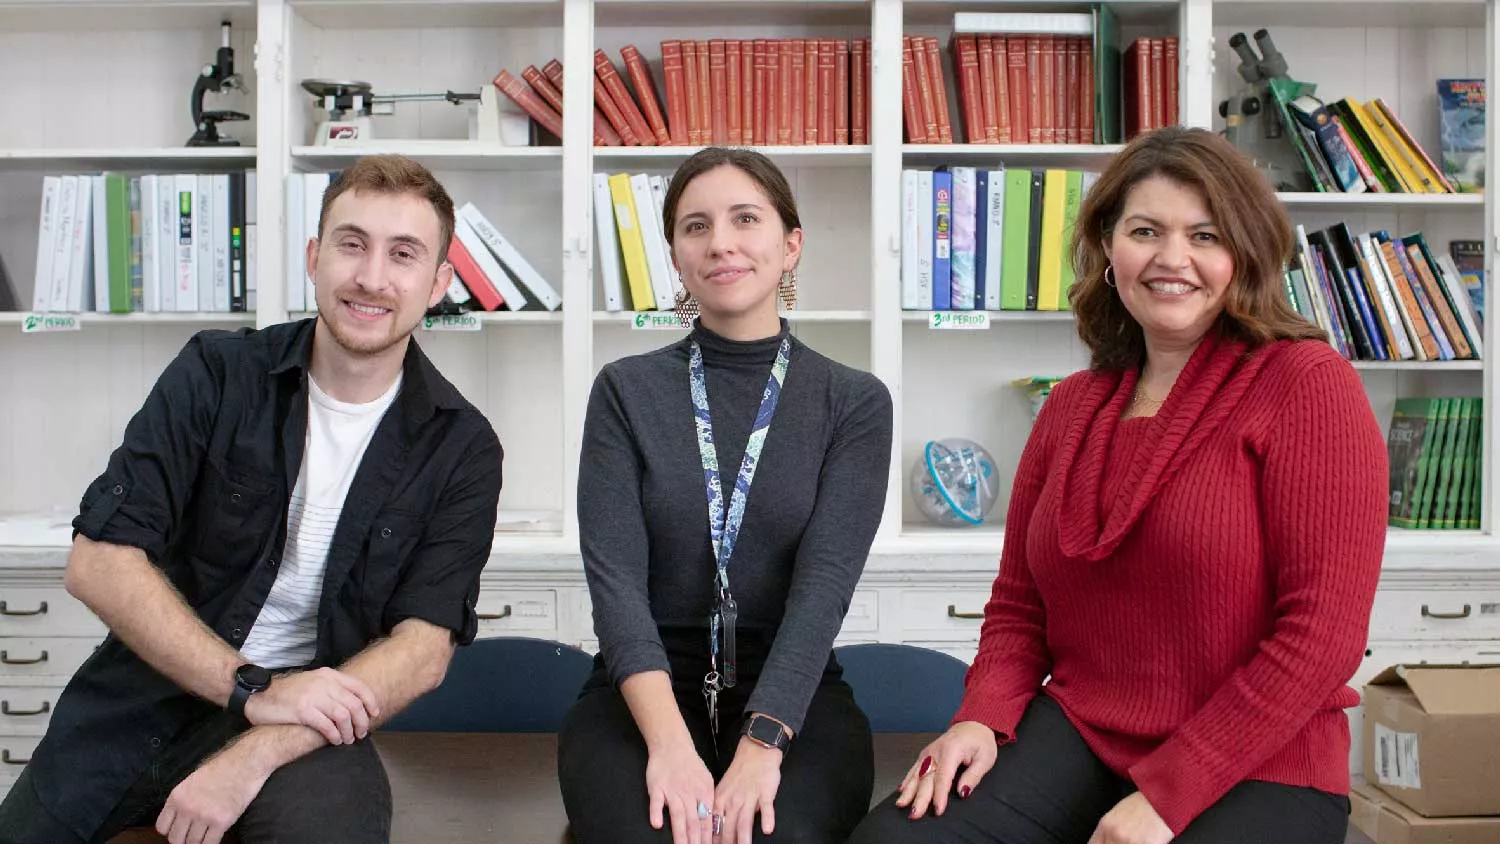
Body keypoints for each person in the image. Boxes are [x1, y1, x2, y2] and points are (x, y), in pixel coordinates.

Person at [850, 126, 1388, 844]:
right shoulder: (1072, 404)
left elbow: (1321, 638)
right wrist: (980, 715)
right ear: (1110, 246)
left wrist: (1169, 795)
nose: (1173, 258)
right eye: (1146, 230)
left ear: (1244, 253)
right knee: (900, 838)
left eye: (1205, 235)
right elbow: (1018, 608)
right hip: (1081, 731)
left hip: (1260, 760)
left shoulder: (1306, 385)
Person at [0, 154, 503, 844]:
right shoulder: (216, 373)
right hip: (144, 697)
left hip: (309, 727)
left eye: (404, 254)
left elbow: (422, 649)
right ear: (314, 256)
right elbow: (99, 562)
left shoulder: (462, 447)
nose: (372, 277)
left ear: (439, 283)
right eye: (351, 244)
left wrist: (261, 740)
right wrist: (252, 687)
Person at [559, 147, 893, 844]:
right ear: (676, 255)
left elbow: (823, 590)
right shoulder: (624, 391)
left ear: (790, 244)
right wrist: (672, 748)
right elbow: (614, 584)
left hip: (792, 693)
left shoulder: (852, 402)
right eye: (696, 226)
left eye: (746, 218)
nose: (722, 244)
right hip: (643, 691)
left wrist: (762, 743)